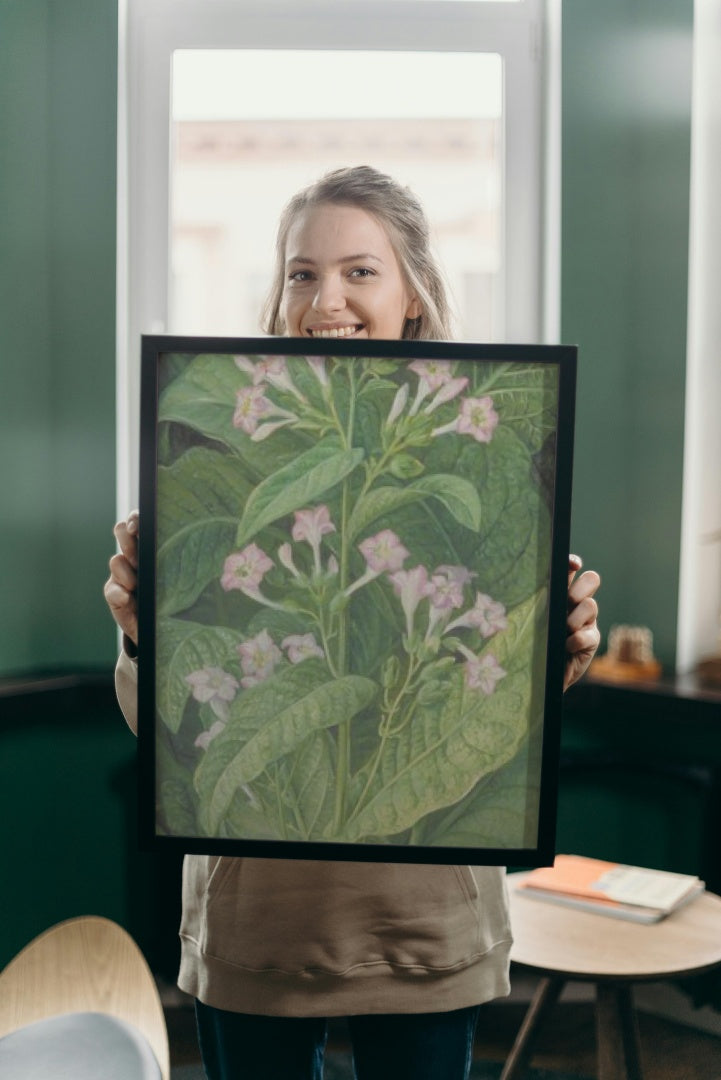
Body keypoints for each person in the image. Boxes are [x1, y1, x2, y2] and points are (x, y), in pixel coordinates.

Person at [105, 166, 601, 1080]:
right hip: (258, 924)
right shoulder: (215, 451)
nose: (324, 298)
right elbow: (173, 730)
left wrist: (555, 650)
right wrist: (146, 637)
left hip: (422, 921)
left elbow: (494, 708)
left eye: (359, 271)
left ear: (412, 293)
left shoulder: (480, 457)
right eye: (301, 272)